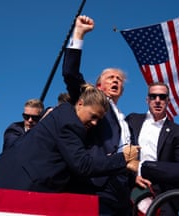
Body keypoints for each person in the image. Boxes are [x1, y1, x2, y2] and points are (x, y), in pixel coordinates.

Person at [0, 84, 139, 192]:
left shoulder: (64, 114)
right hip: (20, 187)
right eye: (93, 116)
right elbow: (82, 165)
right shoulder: (70, 124)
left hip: (13, 181)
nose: (94, 123)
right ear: (80, 104)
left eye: (99, 120)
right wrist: (123, 158)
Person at [63, 15, 135, 215]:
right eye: (110, 77)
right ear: (99, 85)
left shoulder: (126, 120)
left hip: (122, 192)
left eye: (119, 79)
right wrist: (78, 34)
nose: (116, 81)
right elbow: (70, 74)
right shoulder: (92, 101)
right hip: (96, 185)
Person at [126, 82, 179, 216]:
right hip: (132, 192)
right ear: (147, 100)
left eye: (162, 97)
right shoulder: (132, 120)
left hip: (164, 197)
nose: (157, 100)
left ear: (168, 101)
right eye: (153, 96)